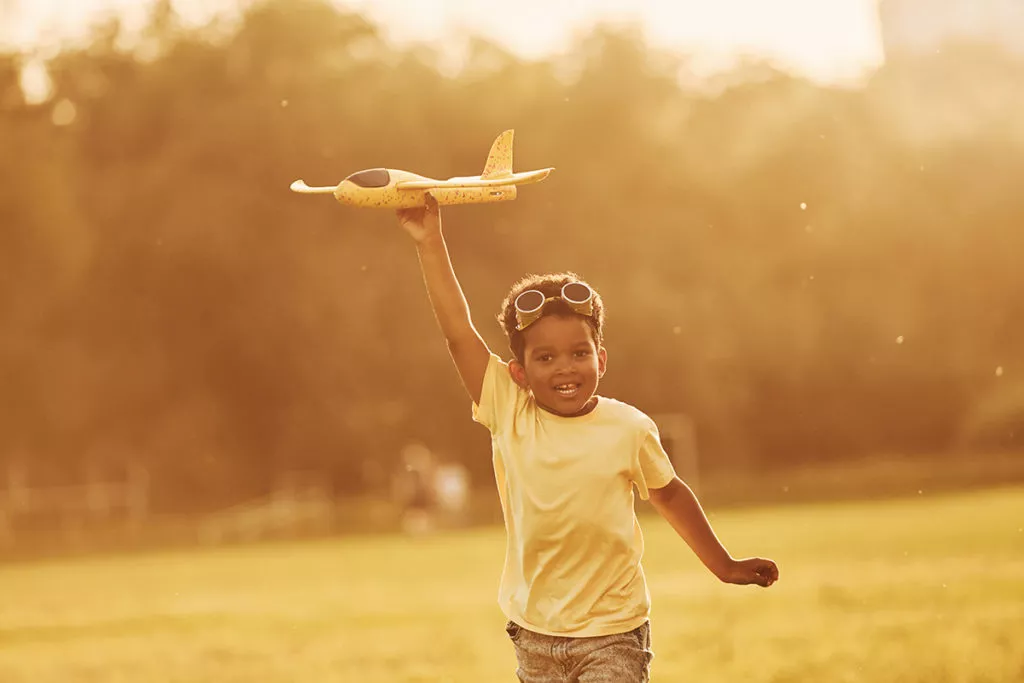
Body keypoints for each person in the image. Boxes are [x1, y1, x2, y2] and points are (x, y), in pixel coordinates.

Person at [396, 194, 779, 682]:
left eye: (579, 353)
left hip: (613, 632)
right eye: (546, 358)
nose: (565, 368)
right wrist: (430, 241)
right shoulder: (509, 410)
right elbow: (458, 333)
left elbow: (669, 493)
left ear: (601, 358)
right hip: (534, 634)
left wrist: (723, 565)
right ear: (518, 371)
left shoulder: (629, 428)